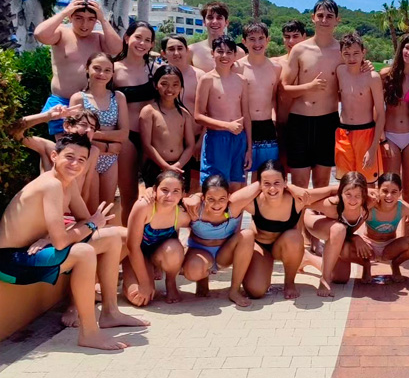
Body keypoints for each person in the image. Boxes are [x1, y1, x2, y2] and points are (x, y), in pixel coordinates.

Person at [0, 134, 147, 350]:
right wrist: (90, 225)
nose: (75, 164)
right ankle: (89, 333)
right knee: (83, 252)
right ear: (54, 156)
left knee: (112, 237)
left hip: (31, 251)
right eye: (69, 157)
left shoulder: (67, 184)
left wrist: (49, 237)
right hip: (11, 262)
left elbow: (84, 221)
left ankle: (110, 312)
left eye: (81, 159)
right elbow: (67, 239)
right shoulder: (51, 185)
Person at [34, 0, 123, 138]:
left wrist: (103, 20)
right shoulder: (61, 33)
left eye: (91, 19)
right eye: (79, 18)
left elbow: (117, 48)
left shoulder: (99, 38)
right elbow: (40, 34)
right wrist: (64, 12)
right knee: (65, 146)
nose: (84, 24)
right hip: (63, 103)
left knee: (88, 146)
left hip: (91, 104)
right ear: (70, 17)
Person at [281, 0, 344, 190]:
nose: (324, 20)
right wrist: (309, 87)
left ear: (337, 20)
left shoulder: (342, 51)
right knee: (299, 184)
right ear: (313, 18)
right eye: (320, 15)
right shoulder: (300, 50)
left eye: (329, 16)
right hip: (300, 121)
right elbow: (284, 88)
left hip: (328, 122)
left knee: (322, 184)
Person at [239, 161, 323, 300]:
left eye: (277, 182)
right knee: (255, 290)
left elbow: (331, 192)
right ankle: (303, 258)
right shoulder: (254, 201)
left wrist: (289, 186)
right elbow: (232, 200)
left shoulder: (297, 199)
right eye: (266, 183)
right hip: (262, 247)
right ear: (259, 184)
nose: (272, 188)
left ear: (285, 181)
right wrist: (261, 185)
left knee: (294, 237)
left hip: (285, 245)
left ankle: (289, 282)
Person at [181, 175, 261, 306]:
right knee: (193, 271)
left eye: (222, 199)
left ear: (229, 197)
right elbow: (173, 199)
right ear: (203, 198)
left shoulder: (233, 206)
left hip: (224, 254)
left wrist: (288, 186)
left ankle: (234, 290)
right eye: (211, 199)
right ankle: (202, 280)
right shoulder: (195, 209)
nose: (217, 204)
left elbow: (262, 183)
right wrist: (194, 196)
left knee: (247, 235)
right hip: (200, 253)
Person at [69, 53, 128, 210]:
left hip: (111, 159)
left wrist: (92, 134)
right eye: (97, 68)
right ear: (87, 69)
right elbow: (74, 134)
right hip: (88, 157)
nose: (102, 74)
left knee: (106, 208)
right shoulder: (78, 99)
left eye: (107, 70)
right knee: (90, 208)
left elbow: (124, 133)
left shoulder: (118, 97)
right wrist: (107, 145)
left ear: (112, 73)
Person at [195, 35, 252, 192]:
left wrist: (249, 148)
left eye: (229, 52)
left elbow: (246, 115)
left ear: (235, 56)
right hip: (217, 139)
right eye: (220, 51)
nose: (224, 56)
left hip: (239, 139)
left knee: (236, 186)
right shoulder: (207, 80)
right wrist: (227, 126)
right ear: (212, 53)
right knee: (215, 186)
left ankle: (233, 212)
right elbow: (198, 115)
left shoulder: (241, 80)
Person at [123, 170, 189, 305]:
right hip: (135, 254)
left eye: (176, 191)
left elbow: (202, 230)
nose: (169, 196)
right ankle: (142, 273)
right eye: (164, 190)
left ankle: (171, 282)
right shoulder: (144, 207)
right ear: (154, 190)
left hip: (157, 254)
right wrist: (144, 283)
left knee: (174, 249)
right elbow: (132, 247)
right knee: (139, 298)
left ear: (183, 194)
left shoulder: (183, 214)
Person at [114, 21, 157, 225]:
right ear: (126, 38)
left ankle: (150, 239)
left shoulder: (155, 69)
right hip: (127, 136)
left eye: (147, 40)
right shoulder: (114, 69)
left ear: (152, 45)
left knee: (155, 194)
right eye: (138, 37)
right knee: (129, 195)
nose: (142, 43)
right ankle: (127, 239)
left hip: (153, 136)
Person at [301, 171, 372, 297]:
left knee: (340, 278)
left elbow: (390, 197)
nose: (353, 200)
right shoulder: (331, 204)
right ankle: (324, 279)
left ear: (364, 195)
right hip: (315, 217)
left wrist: (355, 237)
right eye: (348, 194)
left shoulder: (369, 205)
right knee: (338, 229)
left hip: (340, 229)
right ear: (341, 193)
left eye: (357, 195)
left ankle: (308, 258)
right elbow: (303, 203)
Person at [12, 108, 101, 206]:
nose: (88, 130)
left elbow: (85, 189)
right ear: (67, 126)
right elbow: (15, 133)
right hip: (45, 209)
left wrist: (80, 213)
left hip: (71, 211)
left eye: (92, 128)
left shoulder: (93, 153)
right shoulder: (49, 147)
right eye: (83, 125)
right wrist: (46, 116)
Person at [380, 33, 409, 207]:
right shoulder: (386, 75)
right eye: (407, 48)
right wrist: (382, 139)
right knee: (389, 188)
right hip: (390, 136)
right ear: (401, 49)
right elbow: (376, 109)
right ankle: (389, 225)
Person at [335, 33, 385, 185]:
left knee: (368, 184)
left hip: (366, 133)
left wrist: (373, 147)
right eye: (347, 54)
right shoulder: (340, 72)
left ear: (364, 52)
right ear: (341, 54)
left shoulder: (373, 77)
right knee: (346, 184)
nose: (352, 58)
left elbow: (381, 114)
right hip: (343, 133)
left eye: (356, 53)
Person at [237, 22, 282, 181]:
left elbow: (273, 97)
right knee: (240, 174)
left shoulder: (276, 68)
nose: (257, 43)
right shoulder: (237, 67)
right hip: (243, 126)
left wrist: (275, 121)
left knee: (264, 175)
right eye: (252, 39)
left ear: (268, 40)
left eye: (261, 38)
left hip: (266, 125)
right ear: (244, 42)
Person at [139, 66, 196, 192]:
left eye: (175, 85)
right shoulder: (149, 111)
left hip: (180, 166)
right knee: (155, 199)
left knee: (178, 200)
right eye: (164, 84)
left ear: (181, 88)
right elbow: (146, 145)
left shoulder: (184, 114)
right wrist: (165, 166)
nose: (170, 89)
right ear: (155, 85)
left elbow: (190, 145)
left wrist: (178, 165)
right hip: (156, 165)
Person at [161, 35, 206, 191]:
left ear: (187, 51)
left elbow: (209, 111)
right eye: (171, 49)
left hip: (197, 139)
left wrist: (200, 142)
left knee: (195, 188)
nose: (176, 53)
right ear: (163, 53)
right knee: (169, 186)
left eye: (180, 48)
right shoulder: (159, 76)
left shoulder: (200, 76)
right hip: (169, 142)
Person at [357, 173, 409, 283]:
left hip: (390, 247)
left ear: (400, 193)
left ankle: (395, 265)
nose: (389, 196)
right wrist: (356, 239)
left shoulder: (402, 207)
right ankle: (366, 266)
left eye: (394, 192)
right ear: (378, 190)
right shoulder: (371, 207)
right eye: (385, 191)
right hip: (369, 247)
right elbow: (351, 226)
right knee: (346, 246)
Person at [271, 20, 307, 172]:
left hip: (305, 126)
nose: (291, 41)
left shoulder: (312, 63)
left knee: (303, 175)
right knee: (277, 173)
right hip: (280, 125)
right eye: (287, 37)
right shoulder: (275, 64)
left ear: (304, 37)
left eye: (295, 36)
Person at [189, 2, 245, 72]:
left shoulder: (239, 53)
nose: (214, 21)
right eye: (210, 18)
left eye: (219, 18)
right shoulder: (191, 51)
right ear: (204, 22)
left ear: (226, 22)